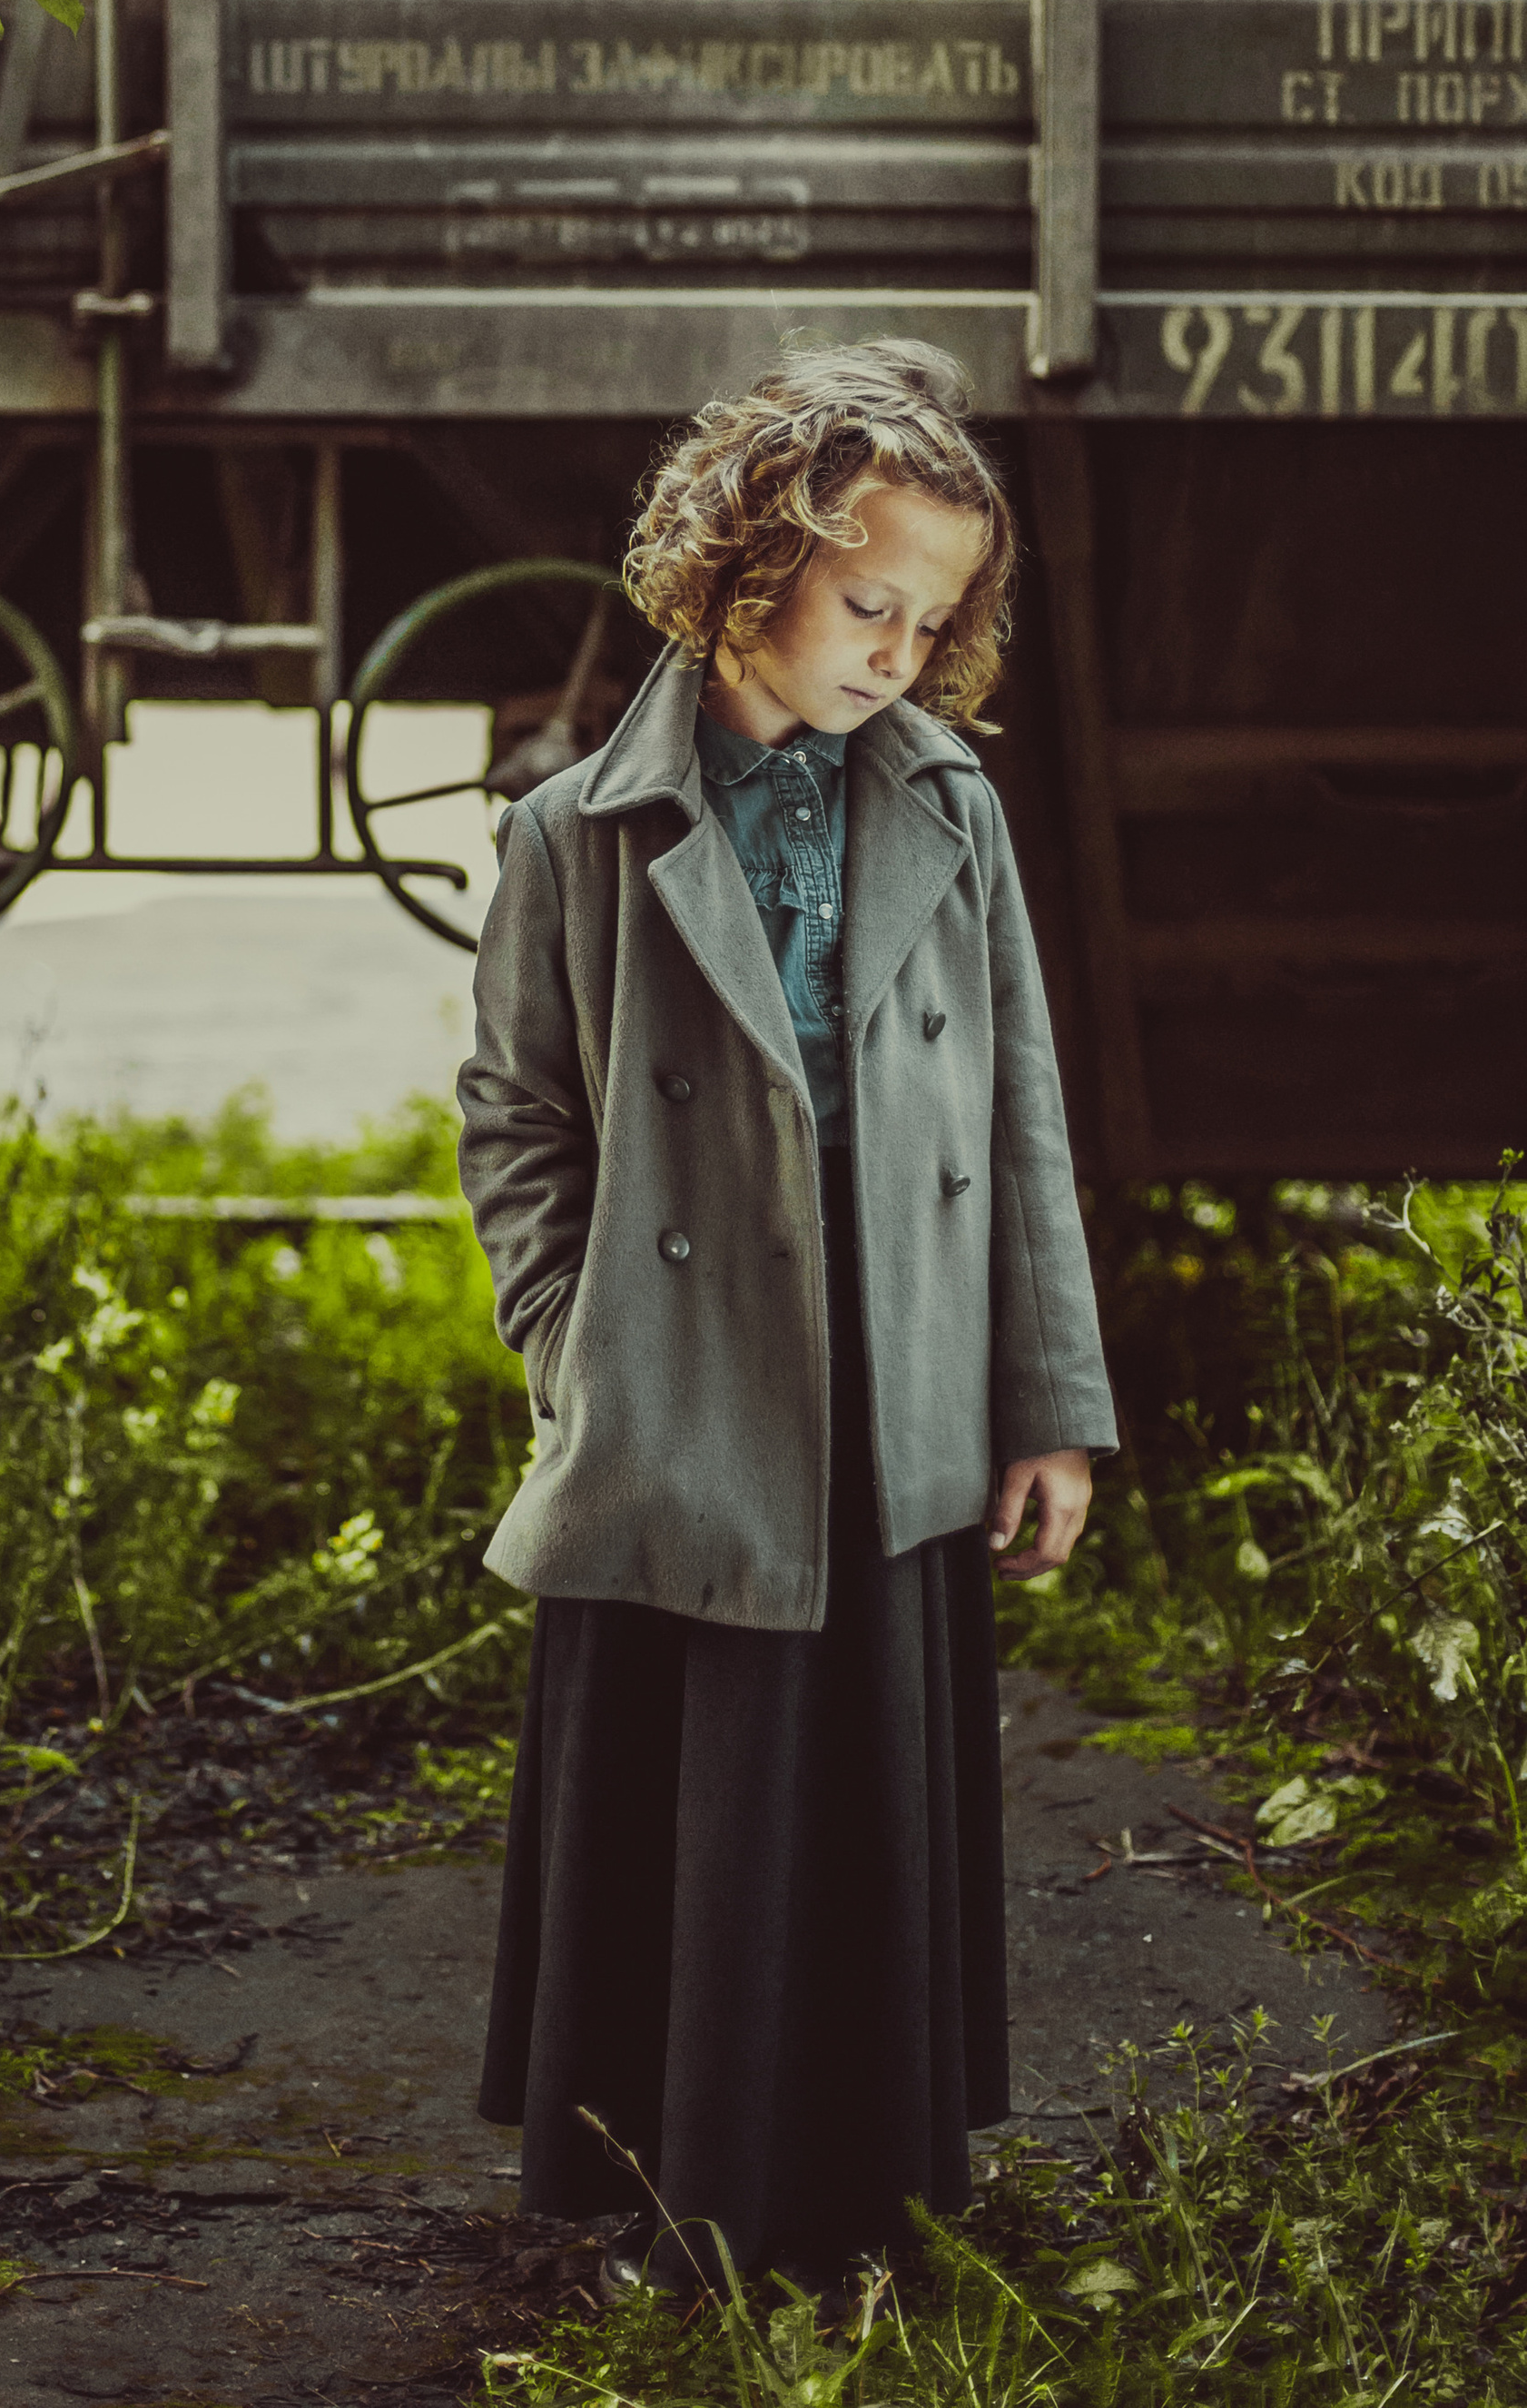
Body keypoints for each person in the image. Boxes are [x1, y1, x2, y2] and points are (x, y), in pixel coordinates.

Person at [458, 337, 1117, 2301]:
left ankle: (866, 2189)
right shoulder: (571, 832)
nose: (898, 651)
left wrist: (1047, 1400)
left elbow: (1018, 1119)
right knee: (702, 1797)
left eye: (933, 617)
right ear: (744, 568)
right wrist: (570, 1349)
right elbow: (516, 1114)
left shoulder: (952, 814)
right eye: (864, 602)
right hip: (683, 1401)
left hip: (897, 1367)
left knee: (865, 1783)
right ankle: (675, 2198)